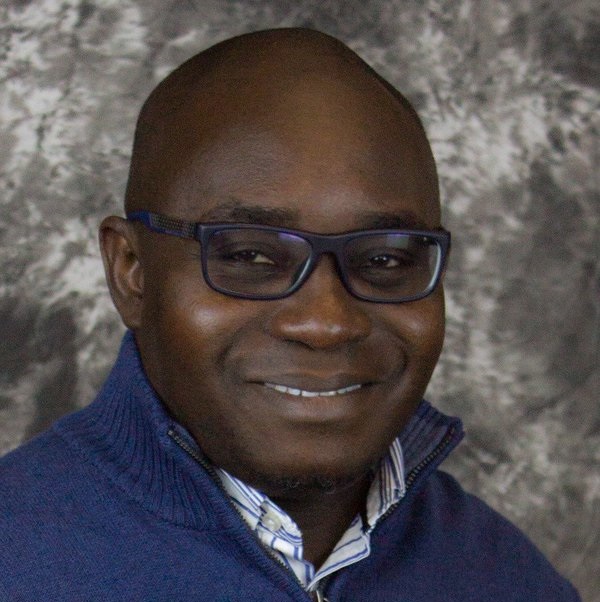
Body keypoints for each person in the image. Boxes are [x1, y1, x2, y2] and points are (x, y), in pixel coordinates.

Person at [0, 28, 580, 602]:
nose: (326, 323)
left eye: (384, 259)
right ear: (131, 271)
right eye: (249, 256)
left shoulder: (507, 576)